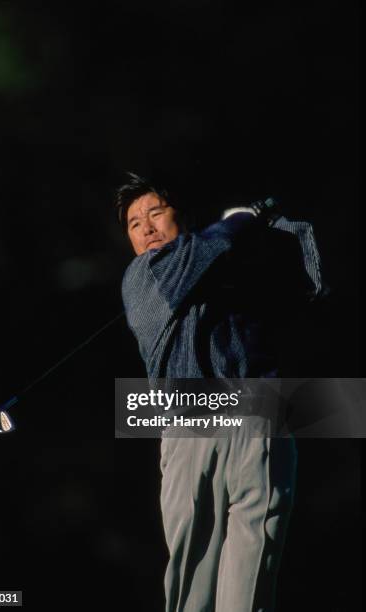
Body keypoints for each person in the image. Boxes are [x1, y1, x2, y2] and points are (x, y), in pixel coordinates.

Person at [116, 172, 325, 611]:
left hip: (256, 416)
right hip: (189, 430)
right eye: (135, 224)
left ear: (184, 217)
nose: (147, 228)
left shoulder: (227, 260)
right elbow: (205, 249)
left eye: (156, 213)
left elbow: (307, 282)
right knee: (193, 585)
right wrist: (241, 221)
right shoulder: (144, 276)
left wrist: (269, 223)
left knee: (252, 581)